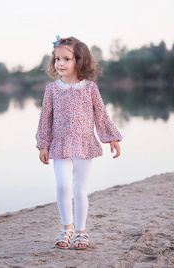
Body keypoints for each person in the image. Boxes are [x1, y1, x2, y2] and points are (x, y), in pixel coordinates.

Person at [36, 36, 122, 250]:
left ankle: (81, 233)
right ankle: (67, 228)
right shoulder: (52, 90)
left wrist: (111, 137)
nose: (61, 64)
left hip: (85, 145)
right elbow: (45, 118)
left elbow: (100, 115)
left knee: (79, 190)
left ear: (79, 61)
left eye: (66, 59)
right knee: (63, 185)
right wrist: (43, 144)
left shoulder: (90, 88)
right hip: (60, 146)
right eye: (57, 59)